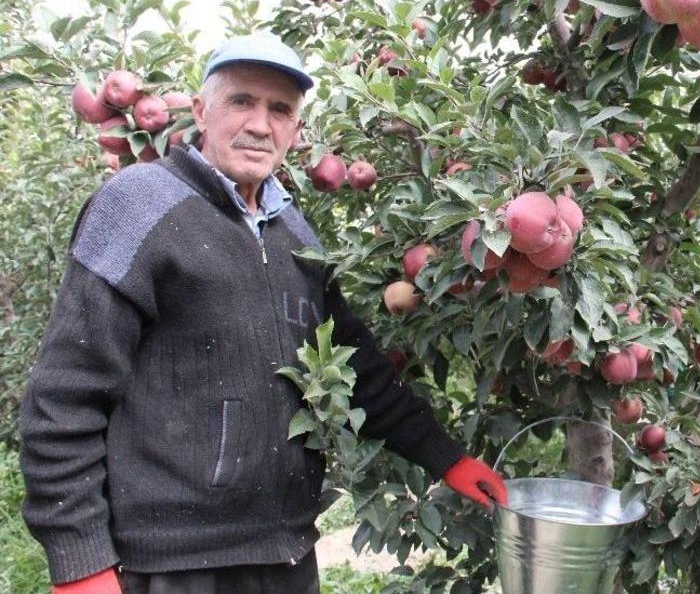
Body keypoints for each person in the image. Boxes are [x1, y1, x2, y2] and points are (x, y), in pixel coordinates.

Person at [20, 33, 507, 594]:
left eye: (280, 110)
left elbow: (357, 370)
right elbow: (64, 395)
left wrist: (444, 456)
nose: (260, 124)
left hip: (285, 554)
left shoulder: (294, 232)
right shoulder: (137, 205)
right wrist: (80, 560)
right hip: (171, 565)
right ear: (201, 111)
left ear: (296, 130)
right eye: (241, 101)